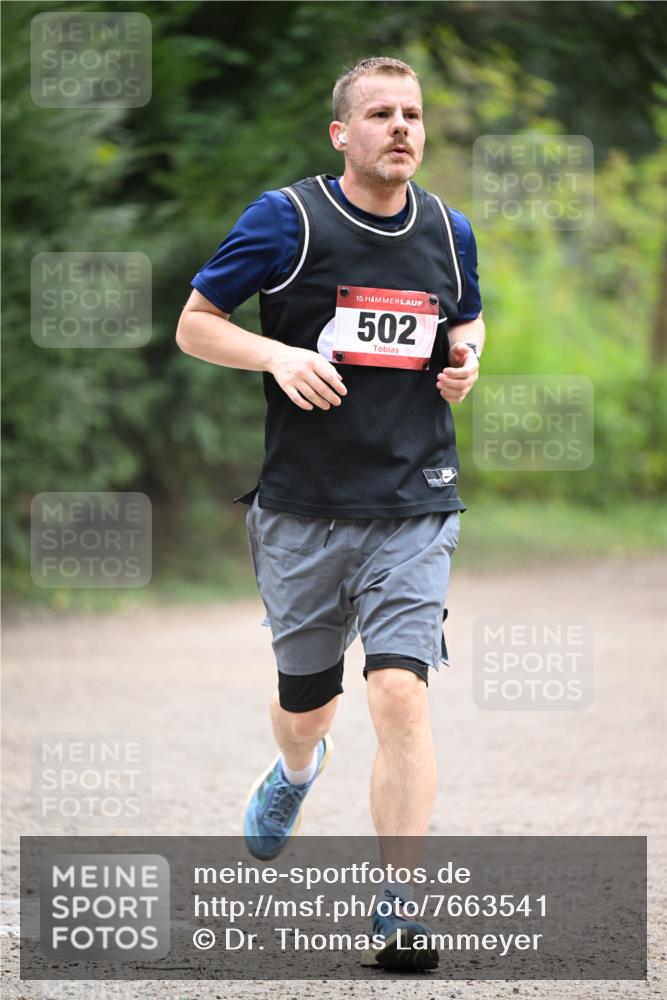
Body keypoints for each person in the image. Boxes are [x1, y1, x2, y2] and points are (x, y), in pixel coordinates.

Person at [176, 56, 485, 971]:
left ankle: (397, 908)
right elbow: (197, 323)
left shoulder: (449, 229)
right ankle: (296, 773)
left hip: (413, 502)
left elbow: (462, 318)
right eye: (381, 114)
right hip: (303, 508)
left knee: (399, 693)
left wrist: (465, 358)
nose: (401, 128)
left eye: (413, 114)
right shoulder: (289, 218)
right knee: (307, 707)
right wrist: (275, 355)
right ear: (341, 133)